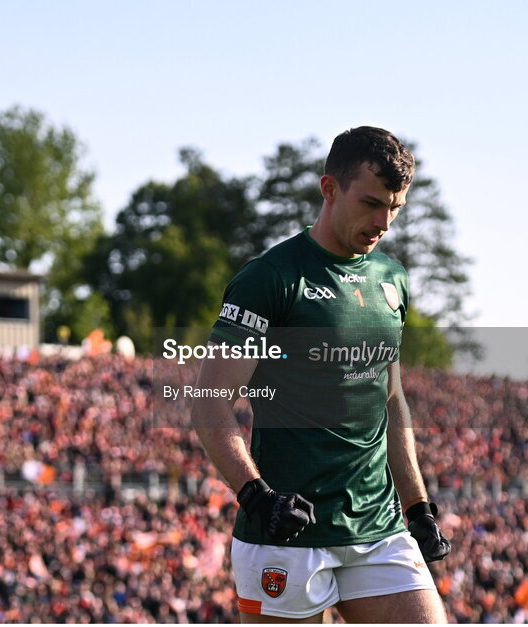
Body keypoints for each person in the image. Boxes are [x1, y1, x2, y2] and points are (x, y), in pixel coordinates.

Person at [191, 127, 452, 623]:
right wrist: (255, 495)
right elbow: (208, 400)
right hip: (287, 532)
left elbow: (392, 401)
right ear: (329, 189)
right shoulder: (270, 278)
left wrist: (417, 507)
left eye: (395, 207)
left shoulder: (392, 279)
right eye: (372, 203)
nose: (384, 222)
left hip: (377, 526)